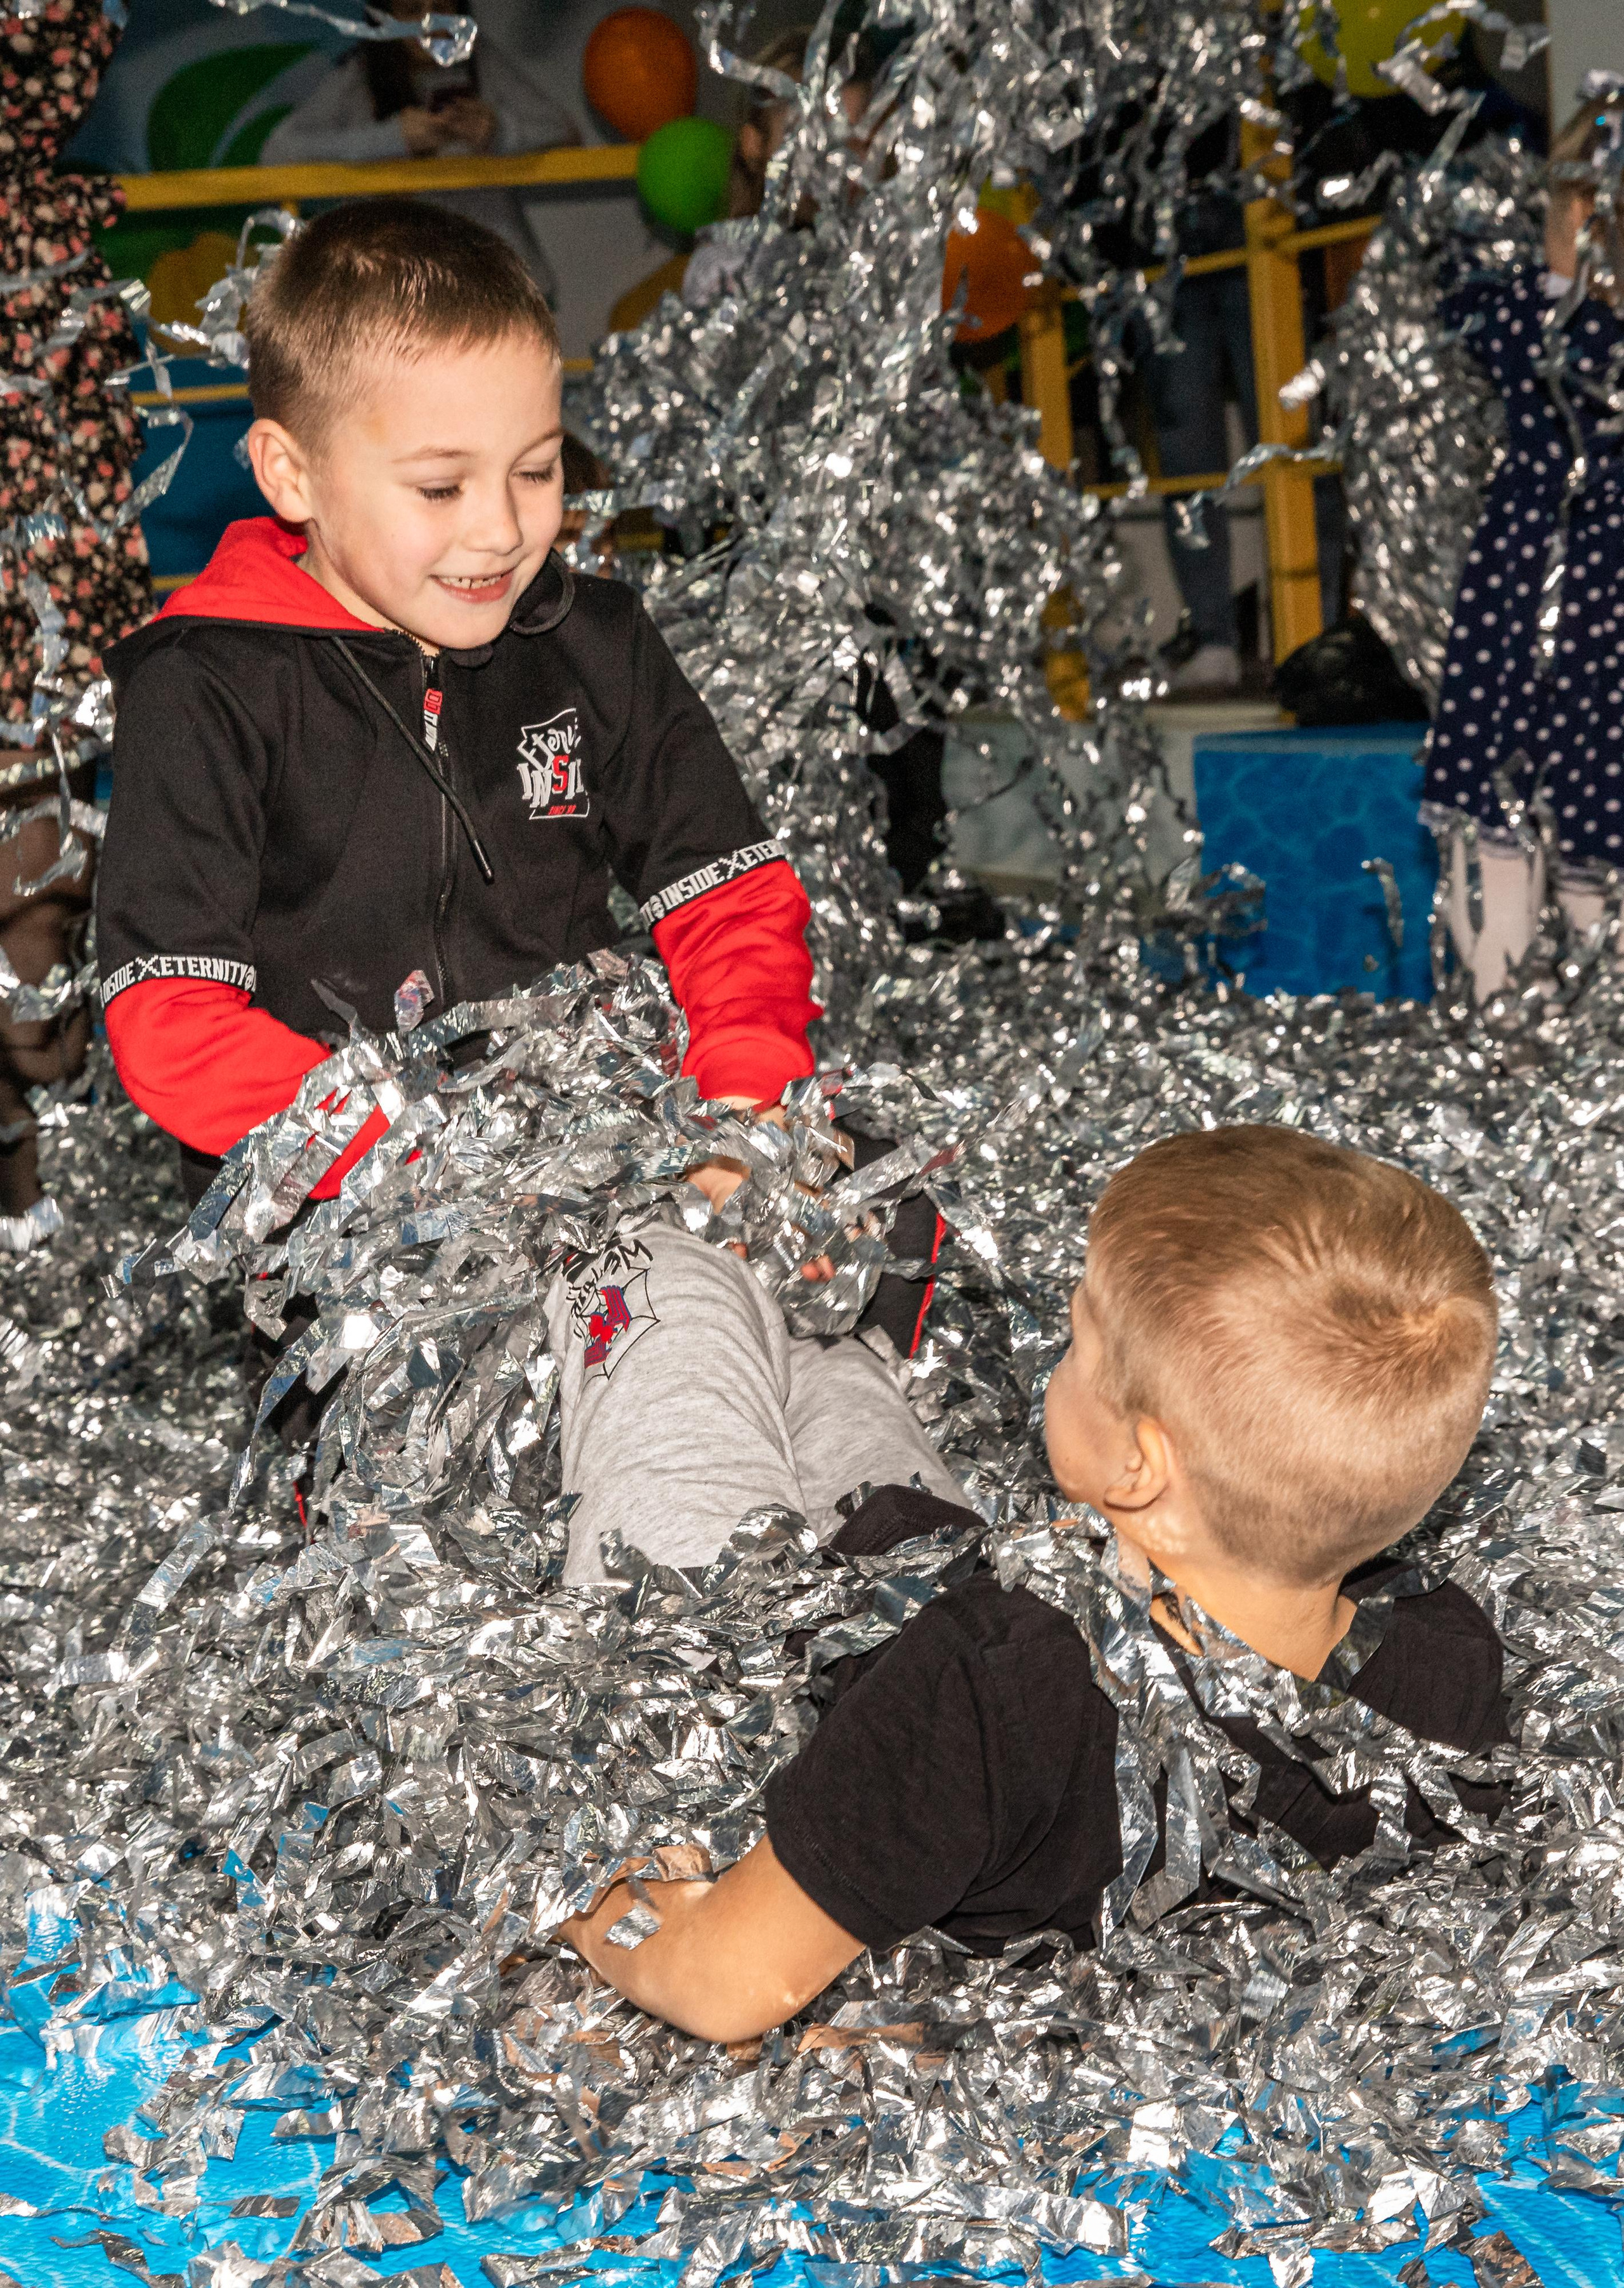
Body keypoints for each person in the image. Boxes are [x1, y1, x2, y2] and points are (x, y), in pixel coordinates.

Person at [557, 1124, 1507, 2042]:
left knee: (649, 1270)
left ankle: (725, 1283)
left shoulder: (990, 1690)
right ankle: (820, 1335)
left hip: (737, 1653)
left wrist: (603, 1903)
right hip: (920, 1561)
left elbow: (725, 1984)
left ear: (1139, 1472)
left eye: (1078, 1346)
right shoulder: (1442, 1664)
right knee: (839, 1398)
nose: (1062, 1359)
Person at [95, 200, 818, 1225]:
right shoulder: (206, 685)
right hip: (351, 1235)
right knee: (664, 1349)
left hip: (593, 1159)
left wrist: (741, 1101)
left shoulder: (590, 636)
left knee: (872, 1252)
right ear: (291, 474)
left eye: (537, 468)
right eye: (441, 488)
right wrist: (429, 1154)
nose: (503, 530)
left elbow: (729, 897)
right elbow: (172, 1021)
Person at [1427, 93, 1624, 998]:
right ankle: (1497, 1020)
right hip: (1523, 593)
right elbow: (1458, 312)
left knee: (1592, 836)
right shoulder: (1524, 312)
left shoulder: (1553, 319)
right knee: (1499, 828)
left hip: (1592, 600)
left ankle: (1587, 1037)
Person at [260, 0, 577, 297]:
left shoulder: (481, 61)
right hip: (400, 286)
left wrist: (498, 131)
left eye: (441, 6)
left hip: (496, 279)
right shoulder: (360, 76)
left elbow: (563, 130)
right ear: (385, 19)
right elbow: (276, 151)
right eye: (412, 9)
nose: (430, 22)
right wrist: (392, 138)